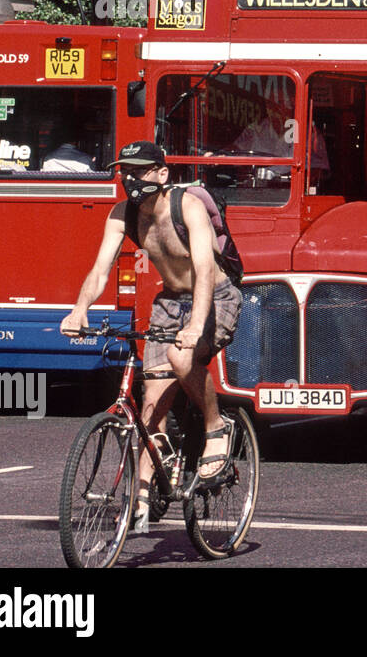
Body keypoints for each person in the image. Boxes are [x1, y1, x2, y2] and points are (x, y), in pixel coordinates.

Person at [60, 141, 242, 533]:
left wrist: (196, 325)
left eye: (140, 171)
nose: (131, 179)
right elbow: (100, 271)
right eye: (126, 171)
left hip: (216, 296)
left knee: (181, 360)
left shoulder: (187, 207)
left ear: (161, 174)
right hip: (169, 300)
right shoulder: (122, 213)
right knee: (150, 406)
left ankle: (216, 427)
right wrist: (79, 309)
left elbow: (206, 270)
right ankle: (141, 494)